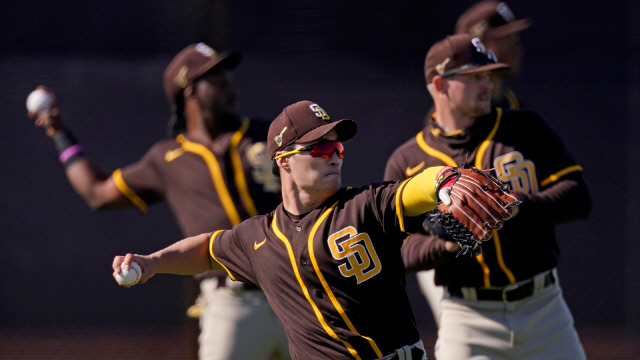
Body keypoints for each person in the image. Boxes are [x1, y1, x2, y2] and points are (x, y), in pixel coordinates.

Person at [111, 100, 517, 360]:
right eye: (320, 149)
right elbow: (206, 250)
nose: (334, 156)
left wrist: (445, 180)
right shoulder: (258, 237)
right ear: (284, 161)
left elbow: (412, 190)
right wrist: (153, 262)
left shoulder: (365, 206)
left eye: (338, 148)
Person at [28, 43, 289, 360]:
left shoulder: (267, 134)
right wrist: (58, 132)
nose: (227, 83)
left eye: (226, 74)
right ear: (189, 89)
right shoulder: (167, 159)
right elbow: (97, 193)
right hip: (232, 304)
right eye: (215, 76)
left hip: (294, 291)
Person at [385, 33, 591, 359]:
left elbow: (579, 198)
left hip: (545, 308)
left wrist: (512, 206)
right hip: (467, 317)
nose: (487, 84)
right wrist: (450, 242)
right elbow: (398, 252)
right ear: (440, 85)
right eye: (474, 76)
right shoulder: (408, 160)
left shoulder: (524, 128)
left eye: (488, 74)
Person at [413, 0, 532, 327]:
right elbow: (433, 219)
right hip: (453, 263)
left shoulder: (515, 110)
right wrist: (453, 229)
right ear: (480, 44)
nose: (516, 47)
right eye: (505, 38)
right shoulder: (449, 122)